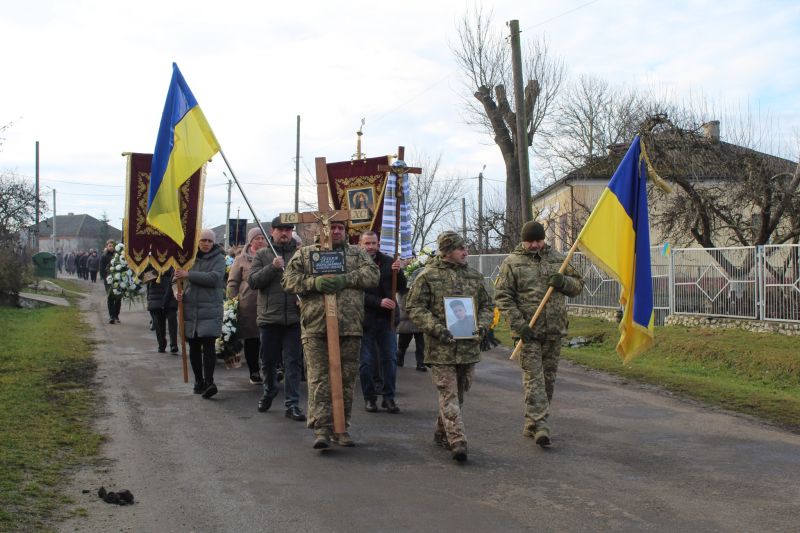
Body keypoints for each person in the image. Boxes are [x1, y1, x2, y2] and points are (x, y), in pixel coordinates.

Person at [282, 220, 379, 449]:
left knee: (346, 380)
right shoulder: (306, 254)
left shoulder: (356, 253)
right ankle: (321, 428)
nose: (335, 231)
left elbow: (372, 276)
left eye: (340, 228)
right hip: (316, 325)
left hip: (349, 326)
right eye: (331, 227)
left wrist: (345, 279)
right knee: (319, 379)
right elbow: (288, 280)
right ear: (320, 229)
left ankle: (341, 428)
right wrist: (314, 282)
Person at [494, 221, 584, 447]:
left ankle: (532, 421)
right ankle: (542, 425)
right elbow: (503, 296)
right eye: (530, 241)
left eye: (538, 240)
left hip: (554, 330)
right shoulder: (512, 263)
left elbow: (578, 285)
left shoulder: (557, 259)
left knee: (548, 381)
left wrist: (563, 281)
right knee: (534, 380)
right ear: (523, 241)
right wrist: (518, 324)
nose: (535, 245)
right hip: (528, 332)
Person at [406, 231, 493, 463]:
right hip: (441, 348)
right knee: (449, 394)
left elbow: (486, 306)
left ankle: (441, 431)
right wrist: (436, 328)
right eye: (460, 248)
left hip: (468, 349)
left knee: (460, 395)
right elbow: (414, 308)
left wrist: (482, 326)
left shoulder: (474, 277)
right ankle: (458, 441)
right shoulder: (427, 277)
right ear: (446, 252)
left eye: (465, 248)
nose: (465, 252)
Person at [247, 218, 307, 422]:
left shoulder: (301, 254)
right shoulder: (263, 254)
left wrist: (304, 297)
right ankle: (269, 390)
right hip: (269, 318)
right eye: (281, 229)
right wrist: (272, 267)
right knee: (269, 361)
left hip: (294, 318)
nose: (285, 233)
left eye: (288, 230)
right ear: (272, 231)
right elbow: (253, 282)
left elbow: (308, 281)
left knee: (293, 362)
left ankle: (292, 404)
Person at [358, 231, 407, 414]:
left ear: (378, 244)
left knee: (390, 360)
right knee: (366, 362)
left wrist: (399, 271)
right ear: (361, 245)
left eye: (373, 243)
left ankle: (389, 398)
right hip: (365, 319)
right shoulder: (356, 264)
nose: (370, 247)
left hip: (387, 320)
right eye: (367, 243)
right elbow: (355, 294)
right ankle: (370, 398)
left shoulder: (388, 262)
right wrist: (377, 302)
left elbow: (401, 287)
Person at [175, 229, 226, 399]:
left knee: (209, 346)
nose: (206, 244)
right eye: (203, 240)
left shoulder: (219, 258)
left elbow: (215, 278)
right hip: (190, 308)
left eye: (209, 241)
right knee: (194, 347)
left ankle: (210, 381)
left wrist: (189, 274)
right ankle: (199, 381)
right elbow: (175, 280)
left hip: (210, 309)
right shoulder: (188, 258)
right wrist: (177, 292)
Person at [227, 227, 267, 385]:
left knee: (269, 339)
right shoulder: (241, 259)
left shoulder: (271, 256)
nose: (260, 241)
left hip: (269, 304)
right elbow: (233, 282)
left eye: (262, 238)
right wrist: (232, 302)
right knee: (252, 340)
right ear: (251, 241)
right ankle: (254, 371)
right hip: (248, 305)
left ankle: (272, 368)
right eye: (257, 238)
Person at [146, 267, 178, 353]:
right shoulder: (150, 259)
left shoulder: (172, 256)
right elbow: (142, 276)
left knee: (172, 319)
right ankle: (161, 344)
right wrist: (157, 273)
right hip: (155, 295)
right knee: (158, 322)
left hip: (171, 291)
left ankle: (173, 344)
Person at [396, 287, 426, 372]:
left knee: (420, 345)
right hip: (407, 321)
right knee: (403, 345)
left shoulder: (421, 290)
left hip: (418, 321)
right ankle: (400, 359)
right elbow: (402, 306)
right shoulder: (403, 290)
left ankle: (420, 363)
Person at [100, 241, 122, 323]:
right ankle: (111, 316)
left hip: (118, 280)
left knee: (118, 298)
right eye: (109, 246)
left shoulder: (118, 255)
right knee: (110, 298)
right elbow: (101, 268)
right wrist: (105, 278)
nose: (111, 247)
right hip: (108, 281)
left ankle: (116, 315)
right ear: (107, 246)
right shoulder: (104, 256)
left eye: (112, 246)